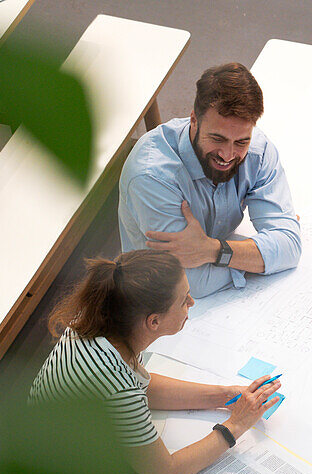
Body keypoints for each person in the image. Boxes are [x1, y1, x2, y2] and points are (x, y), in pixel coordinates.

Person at [30, 249, 280, 474]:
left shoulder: (97, 321)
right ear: (153, 321)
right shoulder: (114, 382)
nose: (192, 303)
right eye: (184, 300)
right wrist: (236, 425)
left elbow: (141, 387)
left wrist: (226, 396)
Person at [118, 62, 301, 299]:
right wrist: (262, 254)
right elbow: (192, 283)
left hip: (222, 297)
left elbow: (290, 247)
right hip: (154, 300)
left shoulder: (259, 151)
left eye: (241, 142)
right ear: (193, 120)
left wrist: (215, 251)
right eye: (217, 138)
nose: (227, 155)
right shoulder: (152, 176)